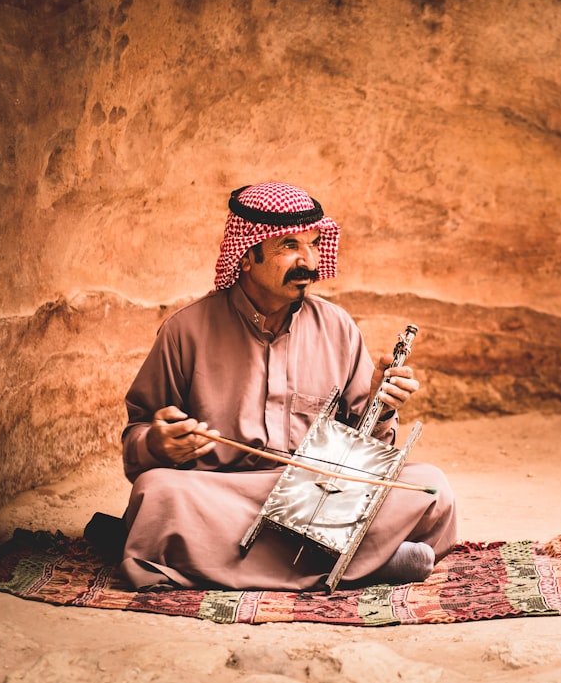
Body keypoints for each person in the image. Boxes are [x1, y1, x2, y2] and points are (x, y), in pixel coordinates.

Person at [118, 181, 457, 591]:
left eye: (314, 244)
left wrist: (379, 405)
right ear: (246, 255)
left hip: (321, 495)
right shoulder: (185, 331)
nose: (308, 261)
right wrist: (158, 443)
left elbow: (368, 452)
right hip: (226, 494)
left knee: (432, 488)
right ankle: (366, 561)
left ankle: (232, 563)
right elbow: (138, 436)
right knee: (157, 494)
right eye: (289, 246)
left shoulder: (337, 328)